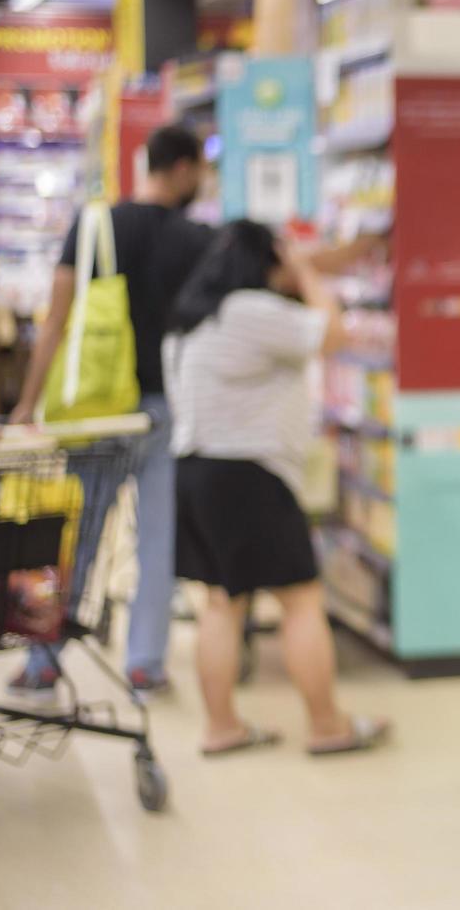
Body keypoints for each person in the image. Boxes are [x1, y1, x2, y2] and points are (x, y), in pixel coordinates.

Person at [164, 219, 388, 756]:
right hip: (249, 475)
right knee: (301, 601)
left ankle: (222, 727)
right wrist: (309, 271)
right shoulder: (249, 311)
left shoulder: (189, 320)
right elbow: (330, 334)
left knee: (222, 604)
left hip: (195, 473)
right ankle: (327, 724)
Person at [9, 125, 214, 697]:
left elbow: (55, 320)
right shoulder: (197, 239)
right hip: (163, 409)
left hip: (97, 411)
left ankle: (44, 657)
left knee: (78, 536)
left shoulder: (96, 223)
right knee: (156, 542)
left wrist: (28, 403)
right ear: (182, 169)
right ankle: (146, 662)